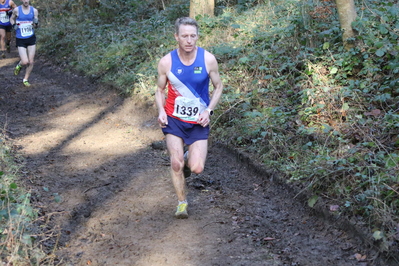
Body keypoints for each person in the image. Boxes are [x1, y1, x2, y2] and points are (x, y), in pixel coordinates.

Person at [155, 17, 223, 219]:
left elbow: (219, 87)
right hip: (173, 120)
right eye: (184, 36)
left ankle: (187, 161)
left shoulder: (208, 59)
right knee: (175, 162)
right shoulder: (166, 62)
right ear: (176, 36)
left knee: (197, 168)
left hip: (199, 122)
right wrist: (160, 110)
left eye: (193, 36)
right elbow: (159, 90)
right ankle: (182, 202)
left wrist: (208, 111)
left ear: (197, 37)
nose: (189, 40)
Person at [10, 0, 38, 87]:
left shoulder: (34, 11)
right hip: (20, 38)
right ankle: (19, 65)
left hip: (31, 38)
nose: (26, 1)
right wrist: (14, 25)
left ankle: (25, 79)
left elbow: (36, 24)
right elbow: (11, 18)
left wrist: (35, 24)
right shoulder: (17, 10)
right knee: (25, 61)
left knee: (31, 61)